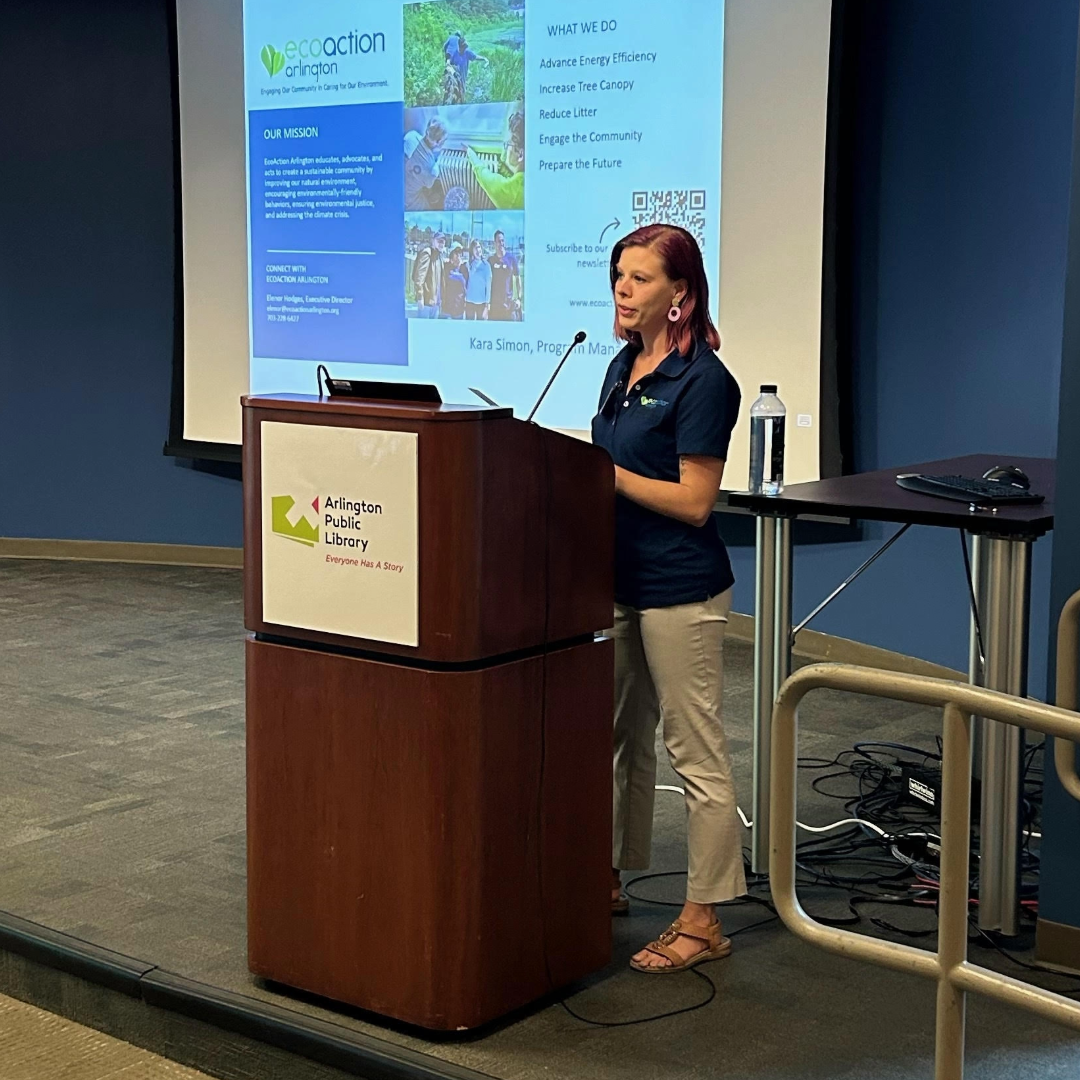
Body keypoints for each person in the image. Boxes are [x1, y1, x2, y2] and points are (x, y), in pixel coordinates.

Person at [590, 223, 744, 974]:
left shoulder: (705, 381)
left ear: (679, 294)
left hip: (680, 589)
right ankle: (610, 878)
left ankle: (704, 916)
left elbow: (694, 501)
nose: (623, 288)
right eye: (619, 274)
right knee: (619, 740)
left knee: (696, 754)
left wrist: (604, 478)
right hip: (616, 583)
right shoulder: (624, 366)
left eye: (641, 278)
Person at [404, 117, 447, 210]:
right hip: (408, 199)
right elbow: (428, 186)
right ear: (439, 142)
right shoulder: (432, 169)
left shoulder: (410, 136)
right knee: (429, 207)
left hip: (396, 186)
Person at [488, 230, 521, 320]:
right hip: (494, 306)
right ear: (494, 242)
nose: (501, 243)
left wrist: (518, 298)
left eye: (502, 240)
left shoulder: (511, 258)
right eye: (499, 241)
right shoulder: (490, 260)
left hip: (508, 305)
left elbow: (518, 279)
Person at [411, 231, 445, 317]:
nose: (441, 243)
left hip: (435, 303)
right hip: (426, 302)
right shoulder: (427, 253)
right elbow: (419, 278)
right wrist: (420, 297)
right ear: (433, 241)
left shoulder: (439, 256)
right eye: (439, 241)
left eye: (443, 241)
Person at [465, 239, 492, 319]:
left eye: (478, 247)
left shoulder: (486, 265)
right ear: (472, 251)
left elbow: (488, 286)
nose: (477, 250)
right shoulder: (469, 265)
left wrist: (487, 305)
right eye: (475, 248)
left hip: (482, 303)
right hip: (469, 302)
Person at [440, 246, 468, 319]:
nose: (458, 259)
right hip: (446, 308)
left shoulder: (464, 269)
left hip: (459, 308)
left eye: (459, 257)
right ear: (451, 259)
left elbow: (466, 287)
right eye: (455, 258)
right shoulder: (446, 268)